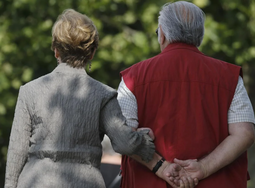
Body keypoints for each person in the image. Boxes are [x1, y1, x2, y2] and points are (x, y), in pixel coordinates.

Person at [4, 9, 182, 188]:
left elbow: (16, 153)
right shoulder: (103, 94)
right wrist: (143, 139)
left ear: (56, 51)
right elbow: (124, 144)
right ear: (92, 53)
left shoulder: (29, 91)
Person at [117, 1, 255, 188]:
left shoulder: (132, 78)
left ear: (162, 35)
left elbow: (124, 137)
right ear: (199, 37)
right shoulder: (229, 77)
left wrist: (162, 166)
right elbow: (245, 134)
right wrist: (203, 168)